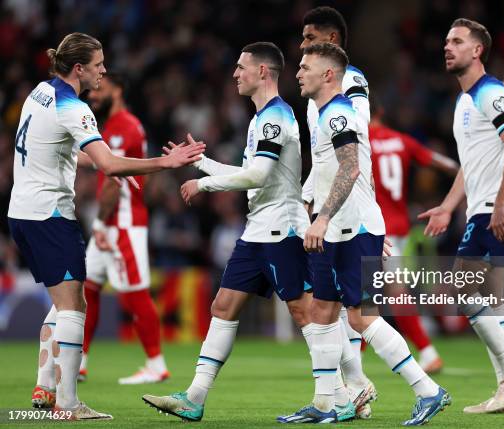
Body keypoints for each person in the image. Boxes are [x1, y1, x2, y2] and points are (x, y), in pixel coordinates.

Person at [10, 32, 204, 419]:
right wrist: (164, 164)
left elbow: (58, 148)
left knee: (63, 302)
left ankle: (45, 388)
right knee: (73, 306)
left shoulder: (40, 92)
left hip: (22, 212)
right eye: (98, 64)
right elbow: (109, 164)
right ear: (78, 68)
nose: (103, 70)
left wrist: (100, 161)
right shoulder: (77, 109)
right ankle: (67, 403)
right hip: (49, 215)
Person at [141, 42, 318, 422]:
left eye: (242, 67)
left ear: (263, 73)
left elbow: (257, 175)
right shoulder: (259, 121)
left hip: (281, 228)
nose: (235, 74)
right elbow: (246, 175)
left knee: (305, 312)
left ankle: (338, 394)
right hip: (257, 230)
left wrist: (202, 186)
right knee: (222, 306)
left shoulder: (276, 117)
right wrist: (200, 163)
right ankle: (194, 397)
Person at [280, 43, 450, 427]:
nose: (298, 73)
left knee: (358, 316)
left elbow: (350, 168)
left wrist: (322, 219)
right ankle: (325, 403)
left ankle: (427, 390)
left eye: (305, 67)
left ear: (328, 74)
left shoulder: (339, 113)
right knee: (321, 312)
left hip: (349, 227)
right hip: (338, 229)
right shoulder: (322, 113)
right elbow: (327, 172)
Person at [418, 18, 504, 414]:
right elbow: (471, 163)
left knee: (464, 290)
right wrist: (449, 206)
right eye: (446, 40)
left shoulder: (492, 93)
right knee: (490, 299)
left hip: (496, 208)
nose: (447, 46)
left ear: (477, 50)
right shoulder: (464, 101)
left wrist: (499, 204)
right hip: (483, 207)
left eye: (457, 41)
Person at [298, 6, 379, 419]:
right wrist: (309, 198)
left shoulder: (351, 81)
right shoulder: (316, 94)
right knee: (325, 304)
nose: (302, 44)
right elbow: (322, 154)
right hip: (325, 198)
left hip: (347, 204)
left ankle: (359, 387)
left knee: (349, 307)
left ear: (330, 40)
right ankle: (348, 391)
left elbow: (353, 137)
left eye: (309, 37)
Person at [77, 72, 170, 385]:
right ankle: (79, 361)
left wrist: (101, 223)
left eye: (99, 89)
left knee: (134, 295)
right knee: (86, 289)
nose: (91, 95)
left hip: (122, 222)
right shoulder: (119, 126)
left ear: (117, 89)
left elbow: (115, 185)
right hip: (114, 222)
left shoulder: (122, 127)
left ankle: (156, 364)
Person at [369, 96, 459, 374]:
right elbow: (445, 164)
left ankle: (427, 352)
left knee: (378, 294)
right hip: (400, 227)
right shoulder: (403, 141)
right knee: (375, 294)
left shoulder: (360, 142)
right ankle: (426, 352)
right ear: (382, 111)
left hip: (373, 227)